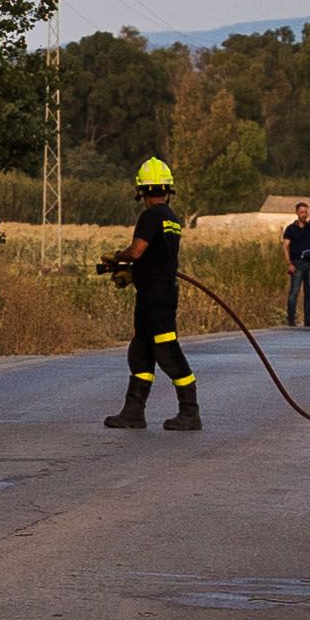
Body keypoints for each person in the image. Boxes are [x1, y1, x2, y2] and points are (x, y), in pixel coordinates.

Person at [104, 159, 201, 432]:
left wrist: (118, 257)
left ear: (142, 192)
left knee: (166, 351)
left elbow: (137, 251)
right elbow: (159, 258)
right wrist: (137, 274)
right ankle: (133, 412)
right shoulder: (171, 218)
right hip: (155, 294)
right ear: (168, 190)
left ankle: (190, 412)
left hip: (155, 298)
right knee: (141, 352)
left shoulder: (150, 216)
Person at [281, 199, 310, 326]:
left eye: (306, 212)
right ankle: (291, 319)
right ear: (297, 213)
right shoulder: (291, 229)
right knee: (294, 292)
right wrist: (289, 263)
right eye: (302, 212)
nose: (304, 214)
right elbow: (286, 246)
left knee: (309, 293)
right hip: (297, 263)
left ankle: (308, 319)